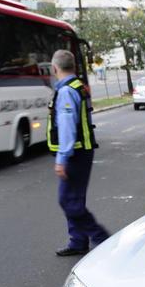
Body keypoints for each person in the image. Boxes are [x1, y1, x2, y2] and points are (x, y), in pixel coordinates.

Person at [47, 49, 110, 257]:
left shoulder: (66, 91)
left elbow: (67, 128)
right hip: (83, 151)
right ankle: (78, 241)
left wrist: (61, 159)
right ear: (72, 66)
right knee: (75, 199)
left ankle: (102, 240)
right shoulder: (79, 86)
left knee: (67, 201)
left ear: (55, 68)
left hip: (74, 154)